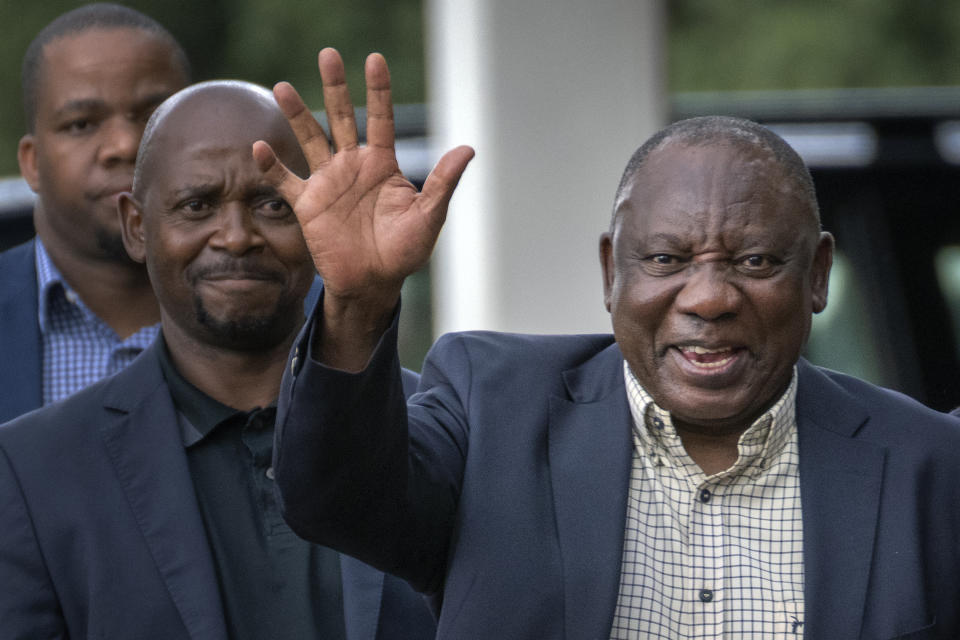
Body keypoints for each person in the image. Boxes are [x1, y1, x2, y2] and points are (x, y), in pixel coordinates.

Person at [260, 49, 960, 639]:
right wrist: (358, 303)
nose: (709, 298)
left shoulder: (931, 467)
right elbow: (335, 500)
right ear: (610, 272)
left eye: (755, 262)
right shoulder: (490, 410)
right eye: (666, 260)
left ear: (817, 276)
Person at [0, 80, 433, 640]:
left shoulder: (440, 428)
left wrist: (364, 300)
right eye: (197, 205)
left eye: (274, 204)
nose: (235, 237)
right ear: (137, 227)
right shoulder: (32, 472)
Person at [0, 3, 190, 423]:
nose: (124, 144)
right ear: (32, 162)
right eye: (82, 124)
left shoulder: (300, 312)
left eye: (154, 115)